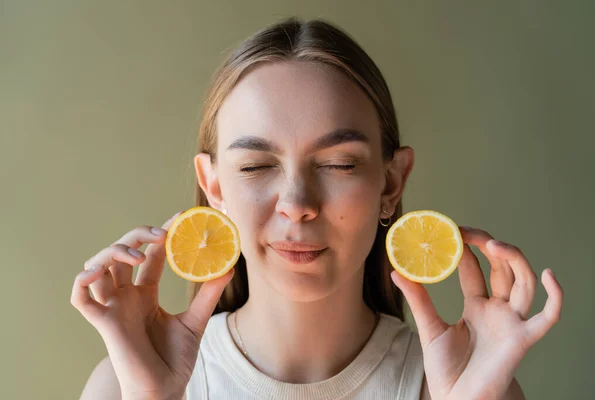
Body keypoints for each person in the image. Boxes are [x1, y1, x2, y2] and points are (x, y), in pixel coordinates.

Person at [71, 17, 563, 400]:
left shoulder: (460, 385)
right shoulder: (124, 386)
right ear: (214, 187)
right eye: (256, 166)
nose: (297, 204)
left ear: (391, 183)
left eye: (339, 164)